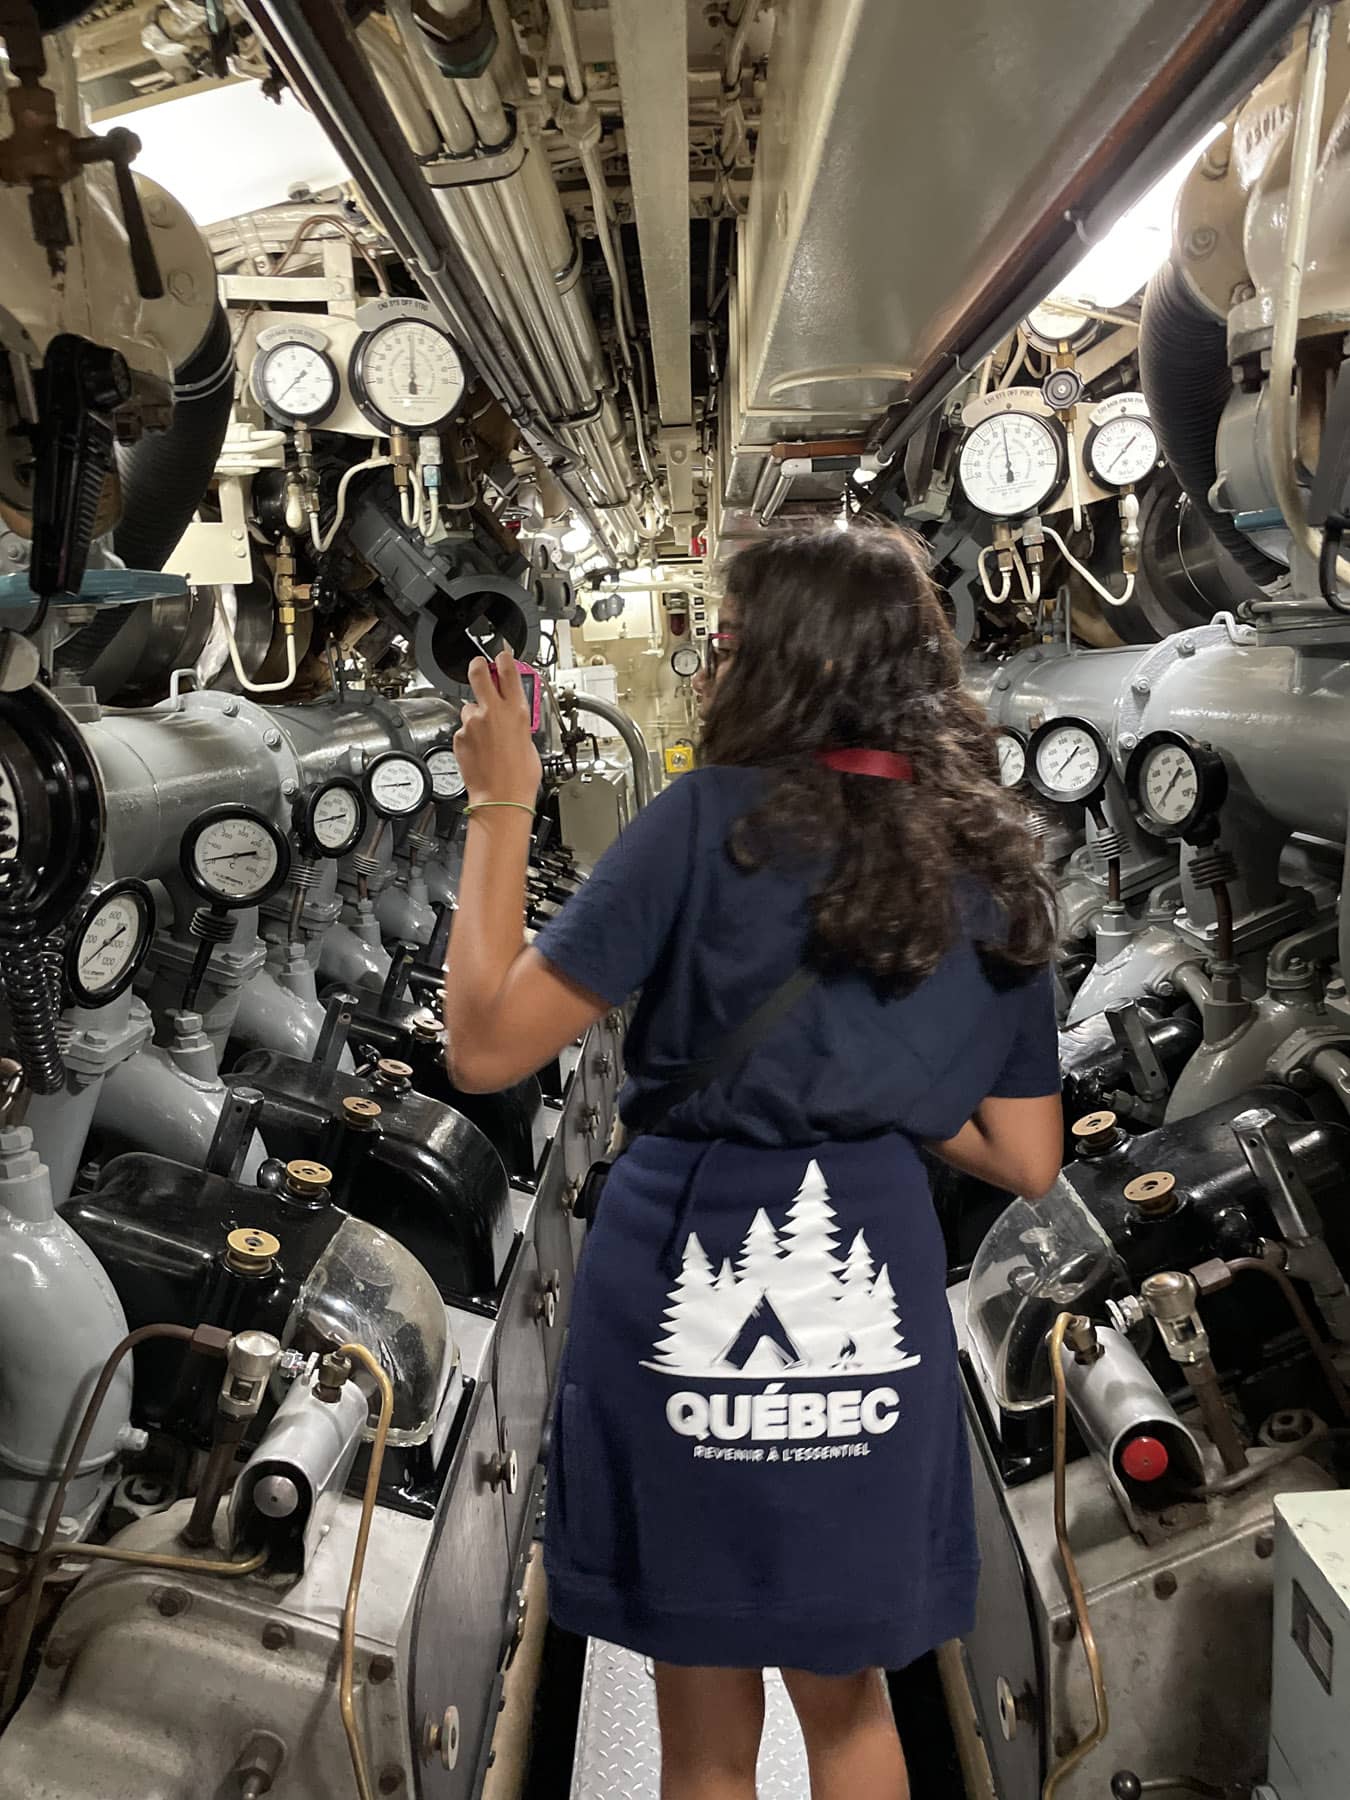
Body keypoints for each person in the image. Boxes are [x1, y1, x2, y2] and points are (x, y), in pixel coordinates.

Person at [445, 524, 1063, 1800]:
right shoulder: (990, 858)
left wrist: (504, 799)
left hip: (688, 1248)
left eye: (725, 646)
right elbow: (1027, 1155)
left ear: (783, 663)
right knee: (849, 1707)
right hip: (874, 1276)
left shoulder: (700, 824)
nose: (713, 670)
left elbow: (486, 1047)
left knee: (706, 1725)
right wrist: (866, 1073)